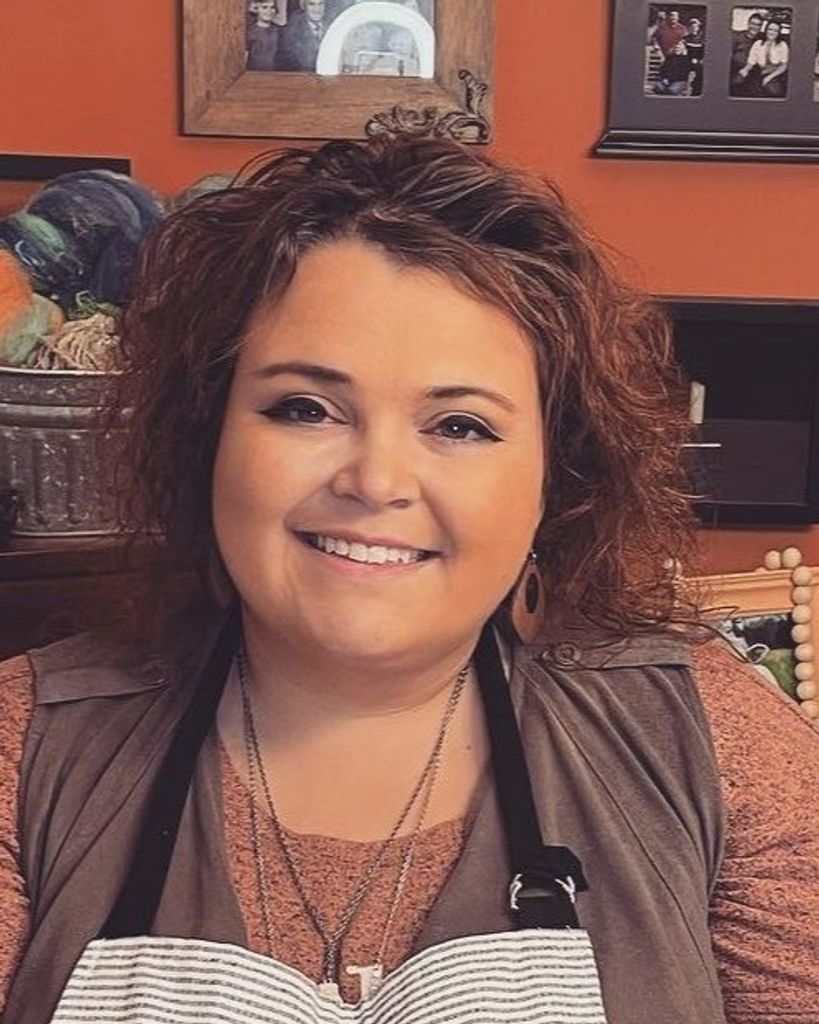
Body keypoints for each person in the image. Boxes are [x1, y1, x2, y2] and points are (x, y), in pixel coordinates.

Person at [1, 135, 818, 1024]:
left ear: (555, 479)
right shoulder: (26, 745)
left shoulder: (708, 741)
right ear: (209, 440)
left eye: (460, 425)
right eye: (305, 409)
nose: (376, 481)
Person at [736, 18, 790, 98]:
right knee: (744, 86)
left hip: (776, 74)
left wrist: (769, 77)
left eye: (775, 31)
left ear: (778, 33)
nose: (772, 32)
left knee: (774, 91)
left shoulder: (782, 45)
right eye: (770, 29)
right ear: (766, 30)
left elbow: (783, 66)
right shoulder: (758, 43)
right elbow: (751, 62)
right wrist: (745, 70)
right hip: (761, 73)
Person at [276, 0, 326, 71]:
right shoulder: (290, 32)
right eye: (311, 4)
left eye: (321, 4)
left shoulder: (333, 25)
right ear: (304, 7)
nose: (317, 9)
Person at [246, 0, 286, 71]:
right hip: (255, 73)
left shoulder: (281, 31)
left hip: (277, 72)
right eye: (264, 7)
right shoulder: (249, 32)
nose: (269, 11)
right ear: (256, 9)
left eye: (272, 7)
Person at [730, 10, 764, 92]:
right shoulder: (737, 37)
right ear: (748, 24)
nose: (755, 27)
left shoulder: (762, 39)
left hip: (754, 72)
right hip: (736, 70)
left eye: (758, 25)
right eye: (753, 24)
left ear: (761, 27)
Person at [684, 16, 705, 95]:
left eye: (695, 27)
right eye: (691, 27)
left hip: (699, 62)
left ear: (698, 28)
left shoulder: (702, 40)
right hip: (687, 60)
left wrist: (700, 60)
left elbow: (705, 52)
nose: (693, 29)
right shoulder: (685, 39)